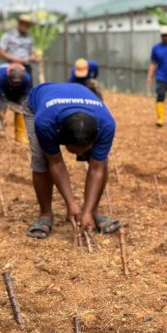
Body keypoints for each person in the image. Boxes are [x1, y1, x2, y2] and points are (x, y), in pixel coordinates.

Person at [23, 82, 120, 240]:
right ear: (60, 136)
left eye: (84, 149)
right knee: (42, 161)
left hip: (80, 98)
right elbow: (56, 163)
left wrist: (86, 211)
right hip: (39, 103)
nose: (80, 154)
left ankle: (93, 211)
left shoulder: (106, 125)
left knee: (101, 161)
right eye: (75, 150)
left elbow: (97, 169)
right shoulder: (45, 123)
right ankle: (45, 214)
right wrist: (70, 203)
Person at [0, 62, 32, 143]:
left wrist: (20, 108)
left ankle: (20, 136)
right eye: (13, 83)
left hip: (17, 93)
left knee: (21, 110)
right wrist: (1, 113)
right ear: (8, 77)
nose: (14, 85)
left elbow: (24, 96)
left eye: (17, 83)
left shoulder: (26, 78)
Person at [147, 25, 167, 127]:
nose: (165, 37)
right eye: (163, 35)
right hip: (161, 77)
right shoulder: (156, 48)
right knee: (160, 96)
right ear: (161, 36)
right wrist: (150, 76)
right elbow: (153, 63)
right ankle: (160, 119)